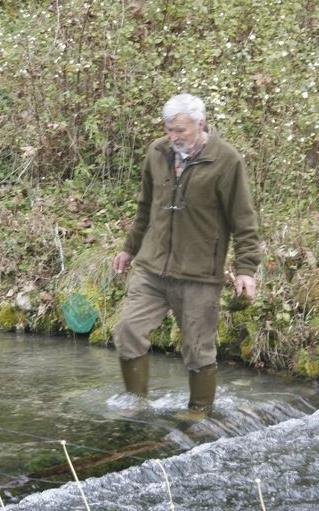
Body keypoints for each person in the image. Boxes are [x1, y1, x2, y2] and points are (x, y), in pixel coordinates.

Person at [111, 93, 260, 411]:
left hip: (199, 275)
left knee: (197, 349)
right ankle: (136, 406)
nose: (173, 136)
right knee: (127, 332)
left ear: (201, 123)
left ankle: (198, 414)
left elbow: (244, 220)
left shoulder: (227, 160)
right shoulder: (157, 152)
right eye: (169, 129)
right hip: (152, 270)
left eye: (180, 130)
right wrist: (129, 249)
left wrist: (247, 269)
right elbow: (144, 207)